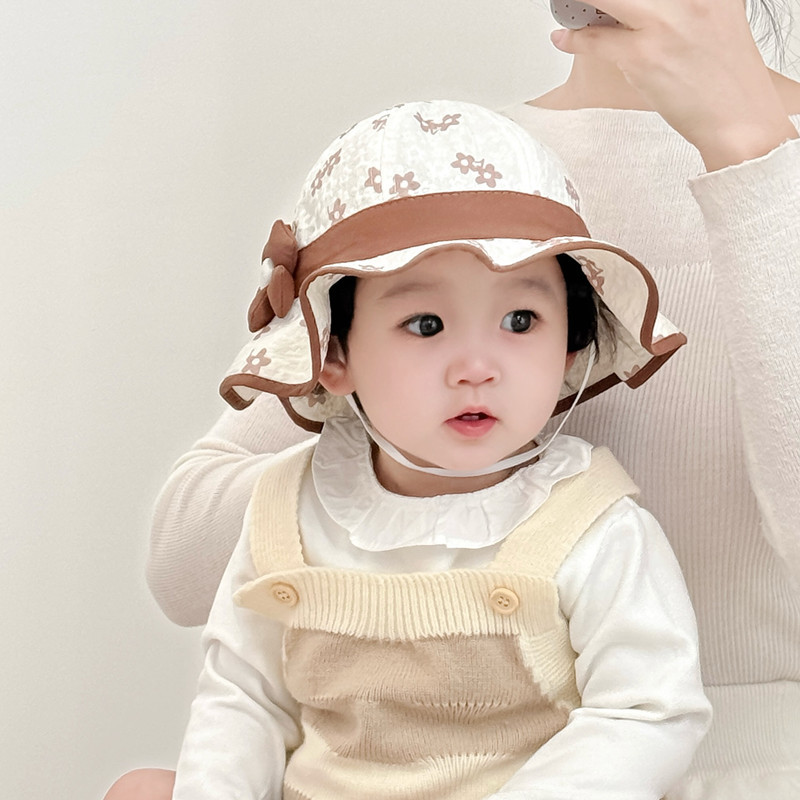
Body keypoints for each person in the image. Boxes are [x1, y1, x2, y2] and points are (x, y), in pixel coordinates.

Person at [139, 1, 800, 796]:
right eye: (426, 319)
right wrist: (407, 463)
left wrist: (755, 155)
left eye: (523, 319)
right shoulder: (460, 166)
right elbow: (183, 564)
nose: (478, 362)